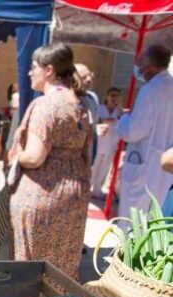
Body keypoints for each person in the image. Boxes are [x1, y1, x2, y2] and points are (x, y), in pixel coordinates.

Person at [7, 42, 92, 279]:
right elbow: (87, 154)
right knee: (62, 267)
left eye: (34, 67)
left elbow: (35, 156)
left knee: (32, 269)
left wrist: (16, 157)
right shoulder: (80, 104)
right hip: (74, 196)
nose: (29, 72)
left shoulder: (45, 105)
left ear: (49, 70)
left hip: (43, 194)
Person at [117, 44, 173, 216]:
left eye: (140, 62)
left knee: (134, 221)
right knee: (156, 218)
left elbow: (134, 131)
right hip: (165, 168)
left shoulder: (150, 90)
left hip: (145, 167)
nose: (137, 67)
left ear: (149, 66)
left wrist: (123, 119)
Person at [91, 87, 123, 198]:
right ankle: (88, 187)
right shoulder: (100, 109)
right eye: (112, 95)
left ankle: (97, 189)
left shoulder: (119, 111)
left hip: (111, 144)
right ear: (107, 97)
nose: (114, 98)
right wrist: (104, 120)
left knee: (104, 168)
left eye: (116, 96)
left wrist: (120, 112)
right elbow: (94, 120)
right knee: (94, 167)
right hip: (99, 143)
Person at [75, 63, 99, 163]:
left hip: (90, 151)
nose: (89, 79)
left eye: (90, 75)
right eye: (84, 77)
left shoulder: (92, 97)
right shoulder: (68, 99)